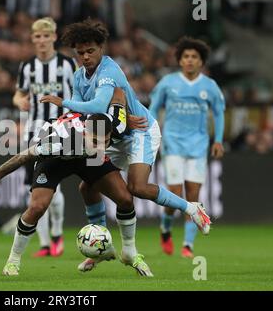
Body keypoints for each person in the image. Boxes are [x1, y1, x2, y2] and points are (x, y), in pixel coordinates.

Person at [40, 19, 211, 271]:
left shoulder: (110, 71)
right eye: (80, 53)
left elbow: (98, 106)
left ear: (101, 48)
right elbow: (82, 113)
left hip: (139, 132)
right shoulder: (78, 77)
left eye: (91, 51)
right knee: (87, 187)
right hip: (111, 137)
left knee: (137, 187)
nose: (86, 57)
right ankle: (100, 246)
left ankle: (192, 209)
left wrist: (61, 102)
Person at [0, 112, 155, 277]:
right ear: (85, 133)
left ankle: (129, 251)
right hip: (55, 161)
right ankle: (13, 260)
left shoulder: (108, 126)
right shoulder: (57, 142)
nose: (101, 147)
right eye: (96, 141)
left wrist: (129, 120)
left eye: (104, 142)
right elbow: (21, 157)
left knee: (125, 198)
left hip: (86, 157)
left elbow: (119, 106)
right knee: (37, 207)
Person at [148, 36, 225, 258]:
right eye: (186, 57)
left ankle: (188, 245)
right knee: (175, 193)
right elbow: (153, 108)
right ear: (180, 61)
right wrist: (152, 133)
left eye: (194, 57)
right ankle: (165, 227)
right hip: (172, 143)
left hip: (199, 146)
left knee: (194, 194)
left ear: (201, 62)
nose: (190, 60)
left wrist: (218, 140)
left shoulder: (209, 86)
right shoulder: (168, 83)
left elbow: (219, 113)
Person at [12, 17, 77, 257]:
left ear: (53, 37)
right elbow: (18, 95)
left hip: (63, 130)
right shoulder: (27, 67)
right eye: (37, 36)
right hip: (33, 133)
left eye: (45, 36)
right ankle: (44, 243)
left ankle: (57, 235)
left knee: (52, 186)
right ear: (32, 39)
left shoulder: (68, 64)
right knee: (35, 189)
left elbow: (80, 90)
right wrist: (21, 101)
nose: (41, 40)